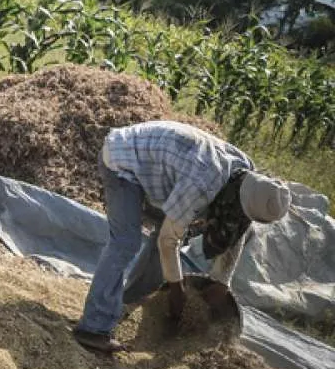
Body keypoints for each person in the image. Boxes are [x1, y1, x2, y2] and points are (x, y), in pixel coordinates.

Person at [73, 120, 292, 353]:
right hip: (124, 160)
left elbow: (238, 228)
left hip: (162, 174)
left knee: (171, 237)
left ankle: (129, 301)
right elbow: (169, 241)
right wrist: (177, 290)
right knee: (126, 241)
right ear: (238, 199)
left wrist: (221, 281)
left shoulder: (245, 175)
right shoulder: (202, 183)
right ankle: (92, 329)